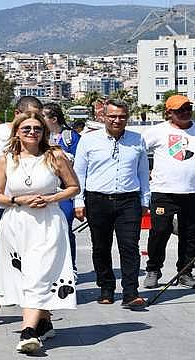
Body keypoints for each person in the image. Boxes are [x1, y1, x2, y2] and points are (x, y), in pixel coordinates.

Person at [0, 111, 79, 354]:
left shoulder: (55, 156)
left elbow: (73, 187)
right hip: (17, 224)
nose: (32, 132)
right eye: (26, 128)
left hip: (48, 223)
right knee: (27, 275)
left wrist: (51, 198)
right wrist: (18, 200)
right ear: (17, 131)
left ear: (44, 132)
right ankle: (45, 322)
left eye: (37, 128)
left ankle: (28, 331)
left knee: (39, 274)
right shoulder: (6, 159)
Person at [142, 95, 195, 289]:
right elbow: (137, 153)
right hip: (164, 193)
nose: (185, 112)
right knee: (160, 231)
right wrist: (144, 173)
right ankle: (153, 269)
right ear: (169, 112)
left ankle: (185, 272)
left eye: (188, 108)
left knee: (191, 234)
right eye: (180, 110)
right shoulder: (156, 131)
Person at [73, 98, 149, 308]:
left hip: (129, 200)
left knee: (130, 247)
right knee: (101, 247)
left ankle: (131, 293)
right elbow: (79, 173)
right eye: (113, 116)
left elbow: (143, 172)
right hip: (97, 199)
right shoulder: (88, 140)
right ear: (103, 116)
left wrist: (145, 199)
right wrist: (78, 201)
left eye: (122, 116)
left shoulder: (137, 140)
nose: (117, 120)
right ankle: (106, 288)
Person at [0, 96, 43, 248]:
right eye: (29, 115)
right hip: (1, 206)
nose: (33, 121)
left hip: (32, 204)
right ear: (17, 113)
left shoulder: (38, 134)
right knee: (3, 250)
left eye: (38, 117)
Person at [42, 102, 81, 268]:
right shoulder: (39, 137)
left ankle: (69, 267)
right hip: (45, 189)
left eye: (43, 116)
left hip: (65, 191)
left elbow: (81, 164)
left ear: (54, 119)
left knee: (64, 228)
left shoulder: (70, 137)